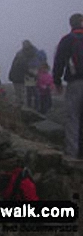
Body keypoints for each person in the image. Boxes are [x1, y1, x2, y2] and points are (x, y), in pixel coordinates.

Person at [52, 13, 83, 159]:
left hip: (75, 82)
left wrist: (57, 81)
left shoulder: (67, 40)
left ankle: (73, 153)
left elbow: (59, 61)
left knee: (73, 117)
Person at [9, 40, 45, 109]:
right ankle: (32, 107)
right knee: (31, 91)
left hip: (29, 74)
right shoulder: (29, 52)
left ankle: (32, 107)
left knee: (31, 91)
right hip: (29, 74)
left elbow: (17, 65)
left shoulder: (24, 53)